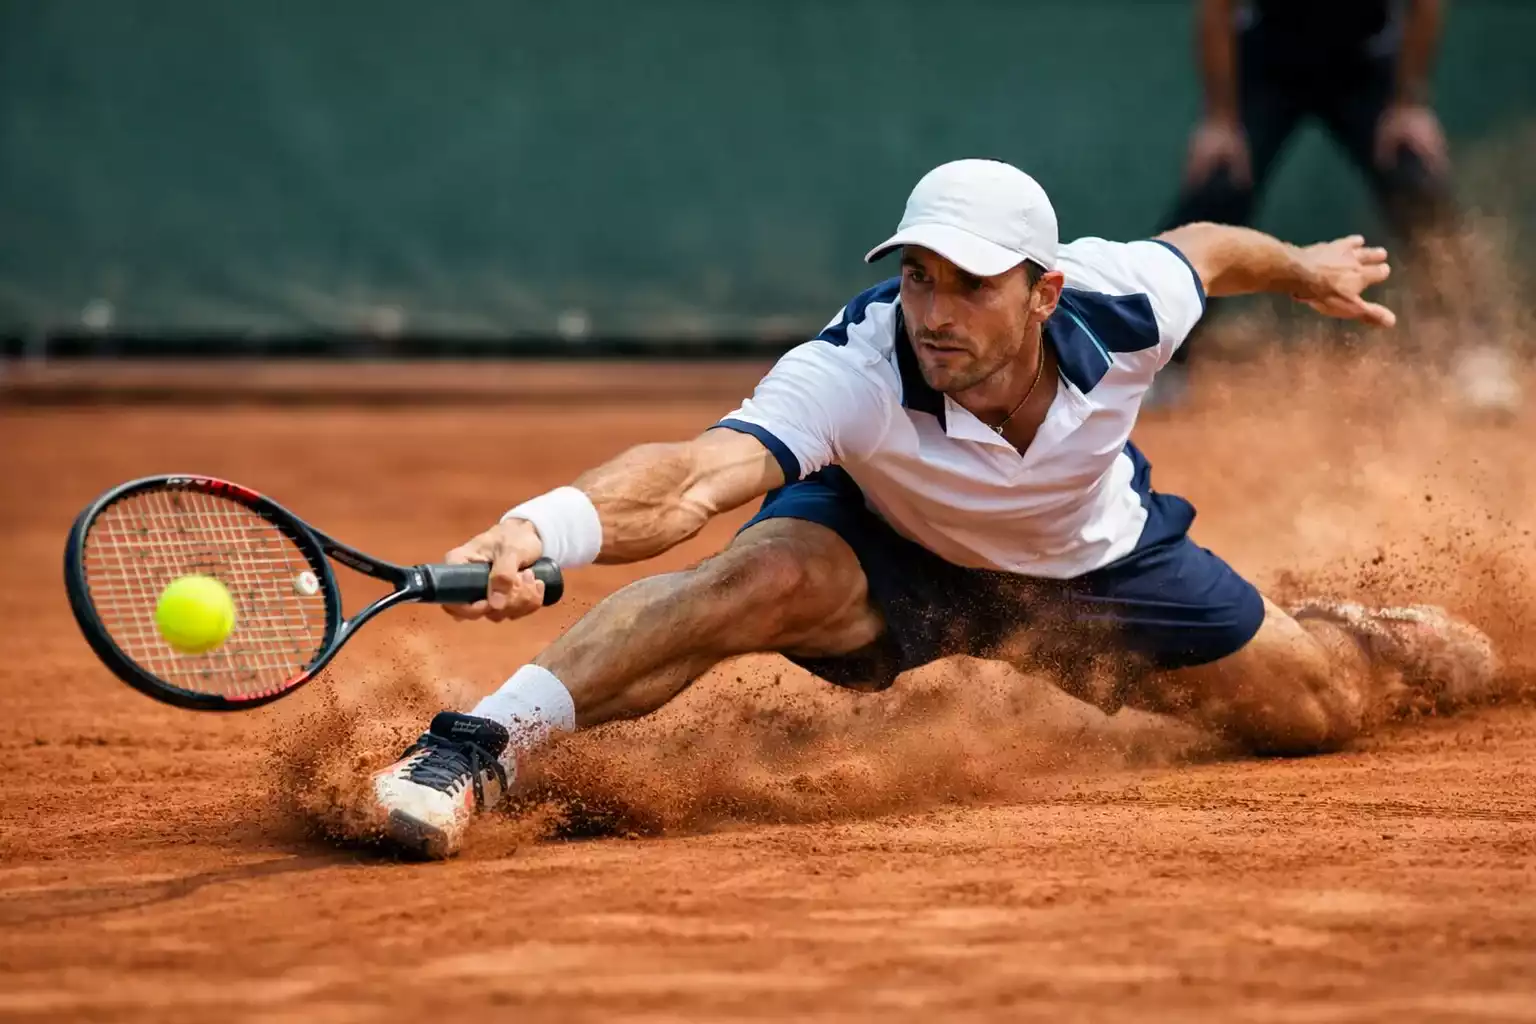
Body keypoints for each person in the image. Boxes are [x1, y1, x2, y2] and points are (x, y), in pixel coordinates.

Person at [365, 159, 1497, 860]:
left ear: (1044, 291)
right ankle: (476, 745)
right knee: (756, 575)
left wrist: (1301, 267)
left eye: (970, 284)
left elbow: (1208, 250)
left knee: (1315, 712)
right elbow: (696, 477)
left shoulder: (1124, 304)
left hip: (1092, 563)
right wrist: (542, 529)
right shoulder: (857, 367)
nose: (935, 311)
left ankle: (1351, 632)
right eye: (918, 276)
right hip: (890, 550)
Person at [1148, 0, 1455, 408]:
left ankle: (1473, 349)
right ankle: (1157, 359)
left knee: (1412, 176)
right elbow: (1216, 10)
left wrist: (1408, 106)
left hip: (1364, 63)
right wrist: (1220, 121)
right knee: (1220, 183)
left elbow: (1426, 7)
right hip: (1268, 62)